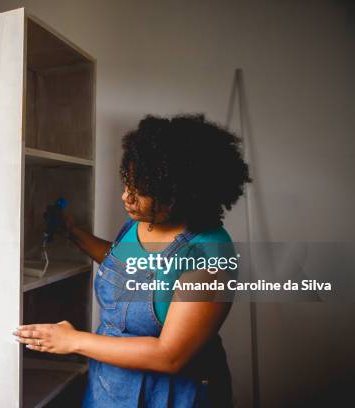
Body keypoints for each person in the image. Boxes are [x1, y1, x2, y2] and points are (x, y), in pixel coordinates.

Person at [14, 114, 252, 407]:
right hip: (111, 386)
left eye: (141, 192)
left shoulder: (210, 252)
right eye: (127, 183)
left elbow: (171, 355)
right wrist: (73, 232)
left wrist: (73, 341)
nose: (127, 197)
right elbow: (124, 266)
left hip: (173, 394)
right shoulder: (141, 223)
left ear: (177, 195)